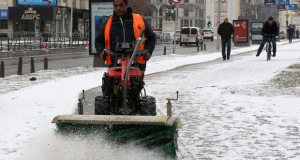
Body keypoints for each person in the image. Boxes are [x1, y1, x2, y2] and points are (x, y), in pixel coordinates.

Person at [95, 0, 156, 76]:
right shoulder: (108, 23)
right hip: (114, 67)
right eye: (115, 6)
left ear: (127, 5)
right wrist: (101, 52)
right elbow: (98, 40)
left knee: (134, 86)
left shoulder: (139, 20)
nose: (118, 8)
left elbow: (151, 37)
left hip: (137, 66)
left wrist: (148, 51)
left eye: (121, 5)